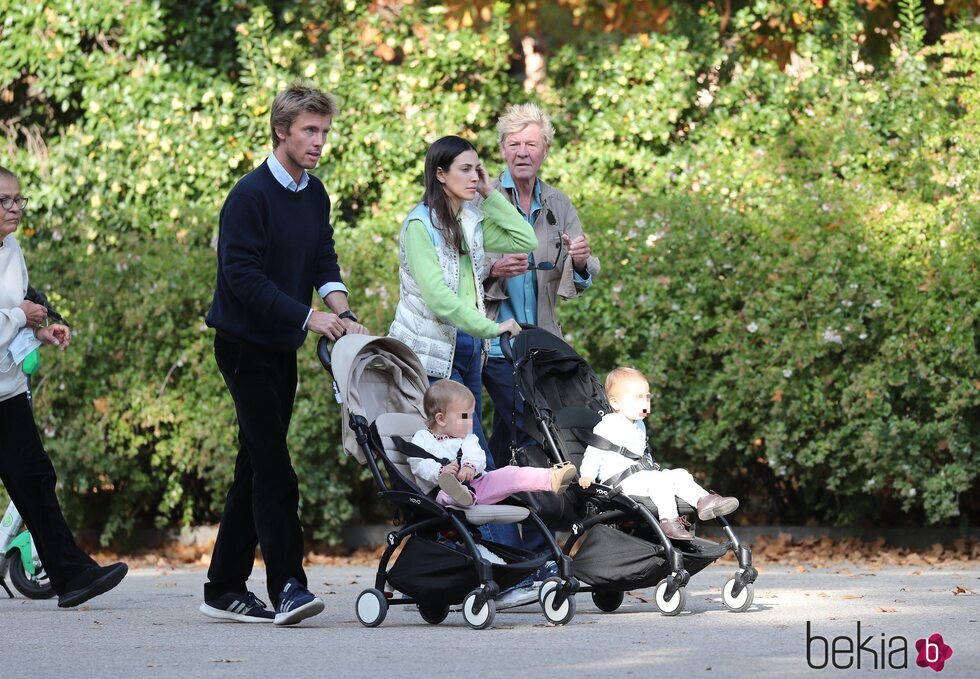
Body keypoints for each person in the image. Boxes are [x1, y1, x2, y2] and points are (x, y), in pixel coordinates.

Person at [202, 82, 368, 626]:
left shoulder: (313, 193)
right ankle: (288, 587)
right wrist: (309, 317)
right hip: (243, 348)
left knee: (254, 466)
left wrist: (340, 312)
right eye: (309, 131)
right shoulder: (248, 196)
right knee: (275, 469)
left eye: (324, 131)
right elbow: (241, 278)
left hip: (280, 347)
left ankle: (224, 586)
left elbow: (324, 259)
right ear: (282, 131)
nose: (319, 141)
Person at [0, 165, 128, 608]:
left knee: (36, 480)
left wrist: (38, 333)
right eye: (5, 201)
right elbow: (13, 312)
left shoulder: (12, 248)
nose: (15, 208)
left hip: (7, 389)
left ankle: (72, 577)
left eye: (19, 199)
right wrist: (23, 317)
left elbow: (15, 317)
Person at [388, 135, 538, 456]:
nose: (474, 177)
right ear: (441, 174)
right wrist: (491, 328)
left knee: (470, 450)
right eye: (465, 170)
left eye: (477, 170)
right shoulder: (420, 225)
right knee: (461, 451)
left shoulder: (470, 221)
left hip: (469, 347)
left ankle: (477, 500)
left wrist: (488, 192)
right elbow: (439, 299)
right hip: (432, 352)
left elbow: (525, 238)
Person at [481, 103, 601, 471]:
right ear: (502, 148)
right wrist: (494, 268)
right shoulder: (480, 197)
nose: (522, 152)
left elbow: (584, 268)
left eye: (532, 144)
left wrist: (579, 260)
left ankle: (495, 513)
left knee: (513, 438)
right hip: (496, 345)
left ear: (545, 150)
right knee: (537, 432)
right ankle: (539, 528)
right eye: (514, 143)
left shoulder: (557, 202)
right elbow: (456, 263)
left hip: (543, 345)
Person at [578, 367, 739, 540]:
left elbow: (642, 456)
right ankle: (669, 521)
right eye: (638, 398)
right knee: (659, 482)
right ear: (616, 403)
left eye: (647, 397)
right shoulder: (608, 424)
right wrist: (587, 474)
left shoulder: (639, 424)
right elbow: (594, 451)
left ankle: (704, 501)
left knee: (680, 474)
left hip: (641, 477)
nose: (645, 403)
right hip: (619, 483)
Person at [409, 379, 575, 507]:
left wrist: (469, 466)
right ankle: (461, 496)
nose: (470, 422)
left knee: (510, 473)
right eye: (465, 416)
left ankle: (551, 478)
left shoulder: (467, 438)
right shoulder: (423, 438)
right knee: (446, 495)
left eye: (471, 415)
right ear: (441, 419)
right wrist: (441, 471)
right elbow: (418, 464)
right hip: (440, 491)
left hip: (478, 484)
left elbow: (476, 455)